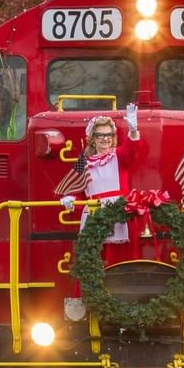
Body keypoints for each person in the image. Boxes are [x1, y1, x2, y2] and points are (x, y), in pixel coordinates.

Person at [57, 106, 141, 263]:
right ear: (92, 139)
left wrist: (133, 130)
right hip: (93, 218)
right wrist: (70, 198)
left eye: (109, 134)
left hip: (119, 217)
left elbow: (133, 150)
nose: (105, 138)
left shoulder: (119, 156)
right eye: (100, 135)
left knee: (118, 263)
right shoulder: (84, 163)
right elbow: (78, 190)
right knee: (93, 264)